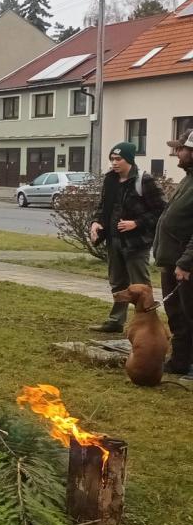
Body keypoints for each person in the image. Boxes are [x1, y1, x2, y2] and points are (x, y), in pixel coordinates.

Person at [87, 142, 166, 333]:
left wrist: (136, 223)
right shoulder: (110, 180)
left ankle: (147, 324)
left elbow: (162, 211)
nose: (114, 163)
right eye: (112, 159)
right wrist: (96, 222)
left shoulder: (144, 181)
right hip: (114, 240)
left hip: (136, 243)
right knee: (117, 282)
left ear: (129, 159)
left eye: (118, 159)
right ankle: (116, 321)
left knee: (140, 285)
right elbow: (103, 207)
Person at [153, 129, 193, 382]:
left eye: (181, 148)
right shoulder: (188, 179)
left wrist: (186, 262)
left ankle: (187, 363)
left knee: (188, 314)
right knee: (177, 314)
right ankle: (181, 361)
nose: (176, 152)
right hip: (173, 262)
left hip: (185, 265)